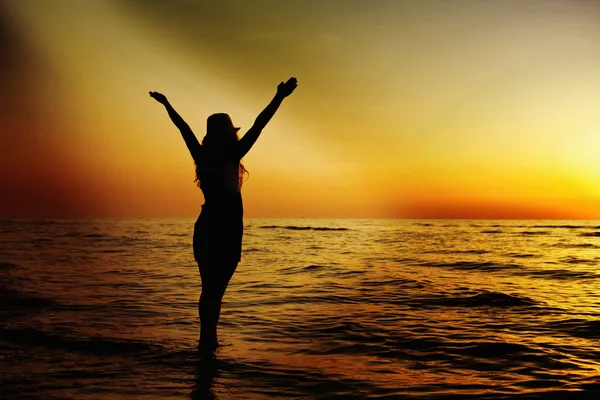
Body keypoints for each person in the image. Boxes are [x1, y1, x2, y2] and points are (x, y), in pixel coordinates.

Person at [149, 77, 298, 352]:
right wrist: (280, 97)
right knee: (215, 291)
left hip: (206, 225)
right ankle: (208, 344)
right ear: (230, 134)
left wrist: (167, 104)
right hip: (226, 227)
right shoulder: (233, 153)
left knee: (209, 289)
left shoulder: (201, 155)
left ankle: (207, 342)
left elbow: (183, 128)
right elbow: (259, 124)